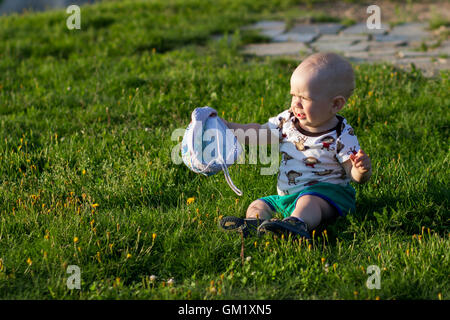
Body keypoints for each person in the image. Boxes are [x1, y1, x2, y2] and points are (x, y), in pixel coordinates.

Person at [219, 52, 372, 239]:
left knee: (309, 202)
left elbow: (352, 173)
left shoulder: (341, 133)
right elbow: (259, 132)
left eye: (305, 98)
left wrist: (360, 171)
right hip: (288, 196)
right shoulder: (287, 121)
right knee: (258, 204)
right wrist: (228, 128)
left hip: (328, 197)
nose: (296, 104)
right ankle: (255, 223)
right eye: (294, 96)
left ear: (335, 104)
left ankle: (297, 224)